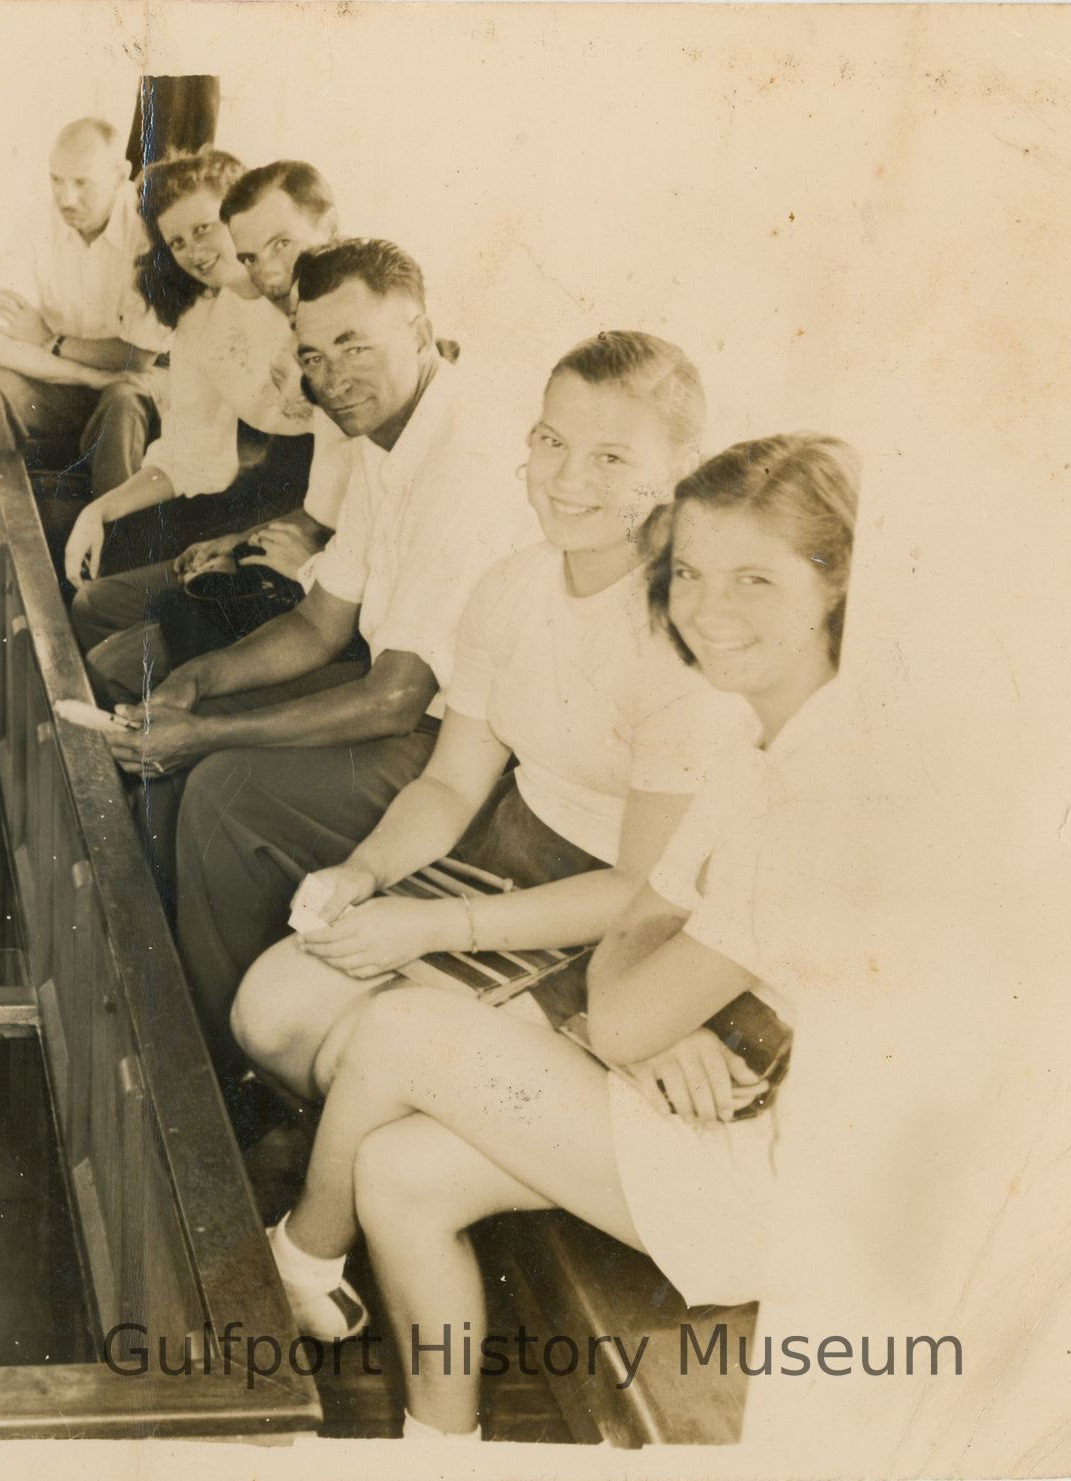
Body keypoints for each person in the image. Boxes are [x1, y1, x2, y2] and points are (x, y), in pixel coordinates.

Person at [259, 434, 863, 1442]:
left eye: (756, 578)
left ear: (836, 583)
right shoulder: (763, 735)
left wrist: (647, 998)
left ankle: (300, 1259)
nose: (712, 610)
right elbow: (646, 929)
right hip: (738, 1092)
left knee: (407, 1028)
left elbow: (631, 974)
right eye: (695, 576)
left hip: (784, 1188)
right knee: (401, 1171)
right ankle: (439, 1451)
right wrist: (655, 995)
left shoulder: (825, 778)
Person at [229, 329, 750, 1112]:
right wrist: (364, 874)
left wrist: (437, 927)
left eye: (612, 457)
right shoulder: (510, 587)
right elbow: (446, 783)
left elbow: (644, 889)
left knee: (357, 1057)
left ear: (678, 471)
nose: (568, 478)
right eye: (552, 440)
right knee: (265, 1015)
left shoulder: (682, 633)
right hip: (512, 845)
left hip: (625, 916)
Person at [139, 239, 540, 1065]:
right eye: (314, 355)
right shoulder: (385, 443)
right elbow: (321, 624)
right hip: (401, 700)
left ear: (421, 330)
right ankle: (182, 993)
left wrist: (208, 733)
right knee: (188, 716)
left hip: (468, 754)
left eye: (356, 344)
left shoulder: (462, 459)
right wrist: (195, 682)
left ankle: (224, 1074)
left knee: (221, 788)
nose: (332, 375)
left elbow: (396, 697)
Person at [63, 154, 336, 698]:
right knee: (93, 605)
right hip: (278, 511)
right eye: (176, 241)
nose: (192, 252)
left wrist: (262, 537)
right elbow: (195, 454)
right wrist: (100, 509)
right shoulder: (200, 319)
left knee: (117, 661)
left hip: (324, 525)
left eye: (204, 228)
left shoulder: (319, 306)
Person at [0, 117, 170, 494]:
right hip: (61, 388)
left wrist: (49, 340)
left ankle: (114, 544)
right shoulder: (32, 227)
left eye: (82, 183)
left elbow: (135, 359)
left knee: (124, 399)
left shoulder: (148, 233)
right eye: (56, 180)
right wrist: (92, 373)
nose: (66, 198)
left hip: (128, 387)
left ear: (119, 174)